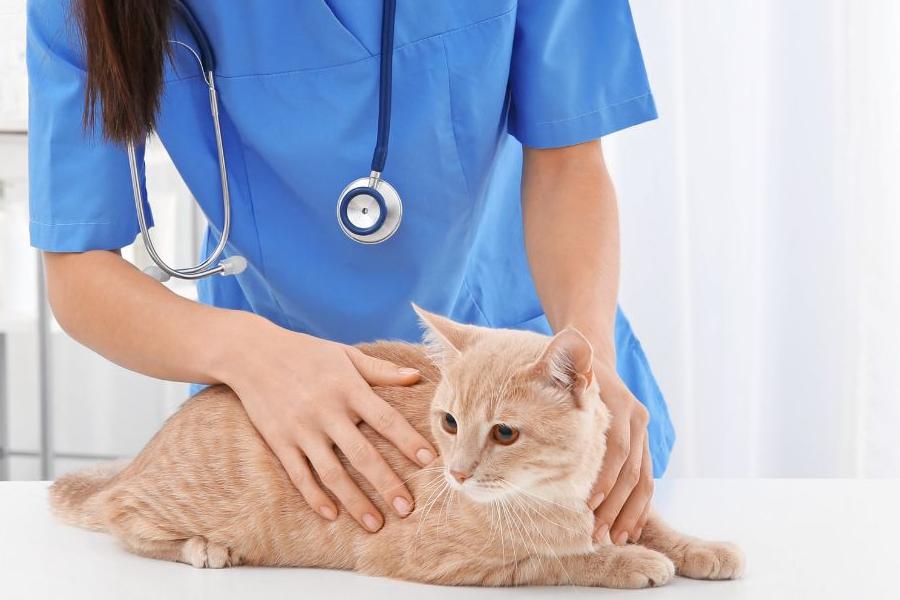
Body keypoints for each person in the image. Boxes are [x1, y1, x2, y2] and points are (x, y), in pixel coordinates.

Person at [27, 0, 674, 545]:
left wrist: (588, 373)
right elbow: (79, 271)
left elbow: (568, 159)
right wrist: (249, 355)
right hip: (284, 440)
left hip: (522, 427)